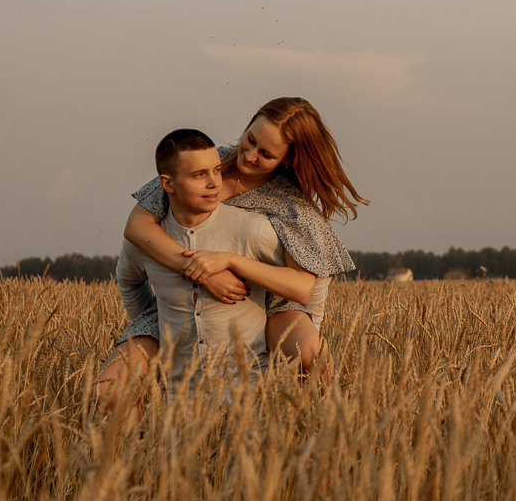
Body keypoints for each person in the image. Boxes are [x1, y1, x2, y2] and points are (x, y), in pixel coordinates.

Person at [118, 96, 361, 377]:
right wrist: (202, 273)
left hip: (269, 303)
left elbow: (301, 288)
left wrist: (230, 261)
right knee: (110, 387)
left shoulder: (291, 205)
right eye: (251, 139)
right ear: (249, 124)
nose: (250, 155)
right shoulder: (209, 160)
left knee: (311, 358)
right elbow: (137, 225)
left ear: (288, 159)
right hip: (182, 296)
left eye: (266, 154)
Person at [103, 128, 317, 402]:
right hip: (175, 399)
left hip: (247, 396)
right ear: (167, 184)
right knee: (105, 394)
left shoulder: (254, 229)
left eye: (217, 170)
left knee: (313, 356)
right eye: (199, 175)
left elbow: (303, 283)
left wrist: (306, 326)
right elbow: (129, 281)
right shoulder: (148, 240)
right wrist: (155, 329)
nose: (214, 183)